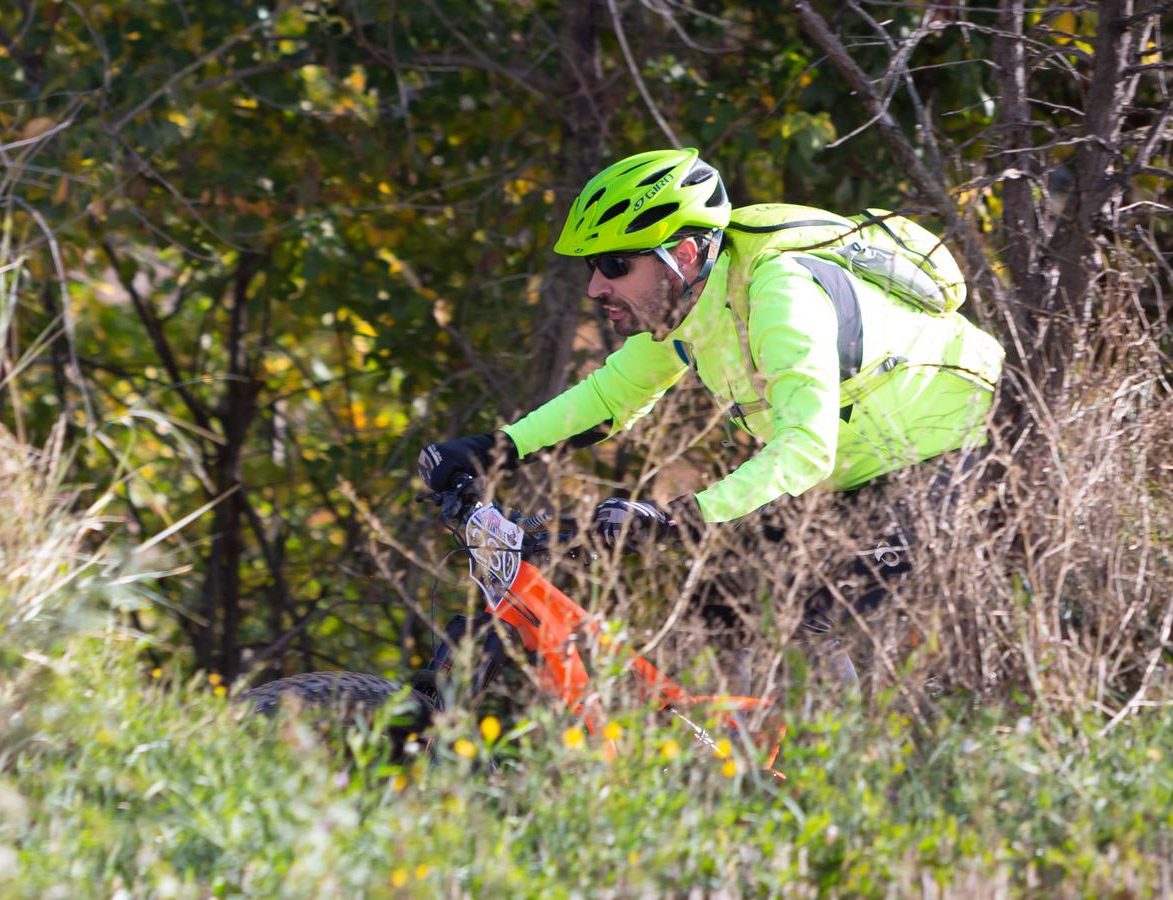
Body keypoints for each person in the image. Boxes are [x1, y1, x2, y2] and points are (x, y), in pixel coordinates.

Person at [416, 147, 1004, 637]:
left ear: (686, 254)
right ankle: (760, 770)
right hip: (860, 476)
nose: (596, 285)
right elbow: (609, 398)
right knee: (720, 612)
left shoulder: (780, 294)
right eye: (592, 267)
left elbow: (805, 446)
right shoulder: (686, 306)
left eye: (615, 264)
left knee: (802, 620)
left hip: (960, 458)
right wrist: (494, 448)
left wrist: (679, 517)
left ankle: (842, 766)